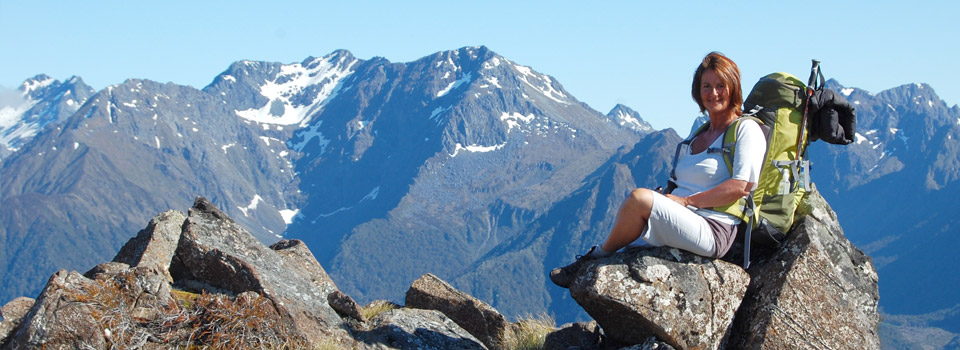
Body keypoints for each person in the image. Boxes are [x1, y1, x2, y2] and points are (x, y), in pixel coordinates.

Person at [550, 52, 765, 288]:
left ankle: (594, 258)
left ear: (733, 88)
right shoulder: (698, 136)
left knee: (638, 199)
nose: (713, 93)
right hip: (688, 219)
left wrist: (685, 202)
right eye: (706, 86)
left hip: (714, 228)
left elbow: (741, 186)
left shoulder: (746, 129)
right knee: (636, 217)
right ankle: (598, 262)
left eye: (720, 86)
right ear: (698, 91)